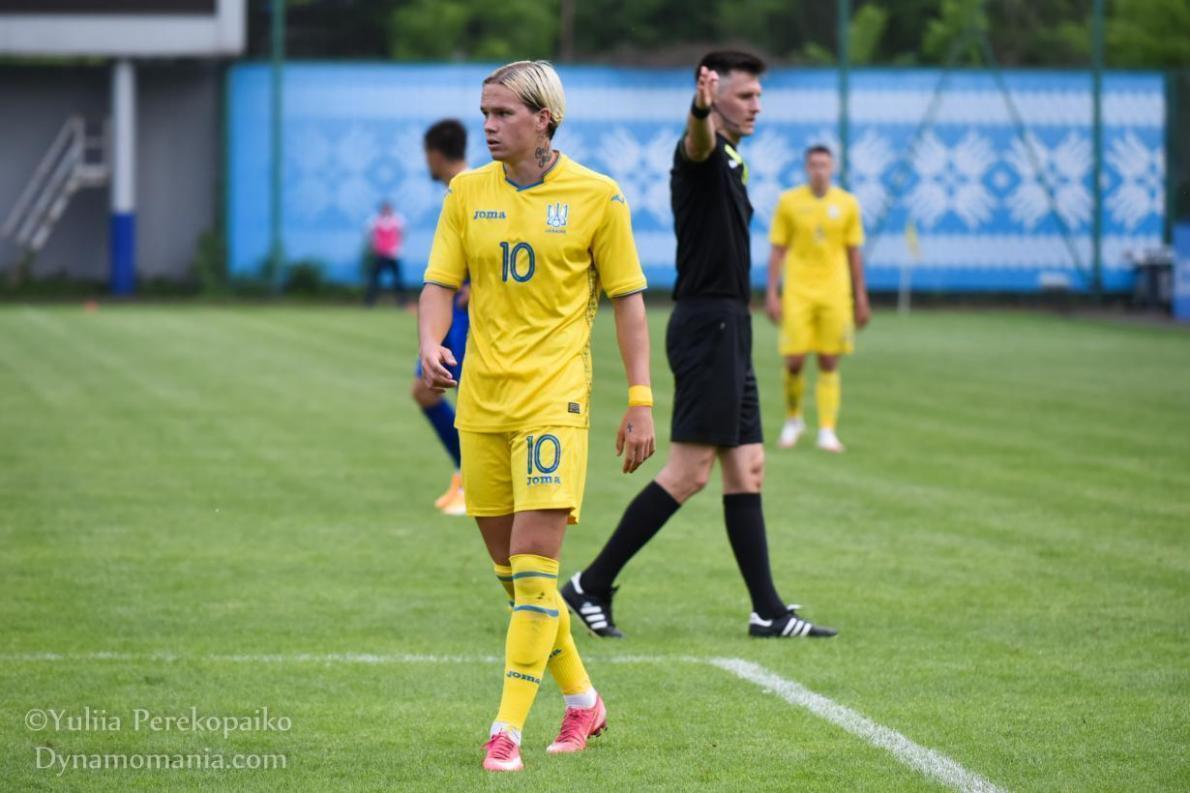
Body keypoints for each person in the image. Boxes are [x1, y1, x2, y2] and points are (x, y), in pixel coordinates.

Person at [418, 60, 655, 773]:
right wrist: (430, 342)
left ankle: (506, 731)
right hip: (482, 404)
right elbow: (439, 283)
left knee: (532, 570)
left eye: (503, 114)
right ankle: (583, 700)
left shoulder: (598, 196)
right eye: (485, 114)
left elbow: (629, 302)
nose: (489, 126)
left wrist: (641, 400)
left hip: (555, 401)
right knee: (514, 576)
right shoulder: (467, 192)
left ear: (544, 118)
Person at [560, 50, 837, 641]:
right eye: (746, 96)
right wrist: (700, 110)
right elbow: (696, 141)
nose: (756, 105)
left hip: (731, 326)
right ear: (713, 96)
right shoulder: (702, 150)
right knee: (688, 472)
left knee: (749, 468)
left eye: (759, 95)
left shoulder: (732, 158)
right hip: (707, 326)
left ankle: (768, 612)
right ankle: (590, 584)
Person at [765, 145, 869, 453]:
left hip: (835, 292)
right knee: (795, 360)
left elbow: (854, 252)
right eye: (813, 165)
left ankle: (827, 429)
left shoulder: (847, 204)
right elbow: (778, 249)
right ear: (806, 168)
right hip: (798, 291)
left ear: (832, 168)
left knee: (828, 359)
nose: (819, 170)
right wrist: (772, 293)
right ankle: (793, 419)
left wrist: (861, 296)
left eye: (824, 165)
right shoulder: (789, 202)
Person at [414, 119, 470, 515]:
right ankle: (466, 470)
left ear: (435, 153)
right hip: (450, 309)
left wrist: (477, 285)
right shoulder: (458, 188)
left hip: (467, 314)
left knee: (469, 399)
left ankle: (474, 480)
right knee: (425, 391)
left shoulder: (471, 187)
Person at [363, 201, 406, 307]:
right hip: (380, 254)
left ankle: (401, 301)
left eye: (388, 208)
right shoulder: (375, 220)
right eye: (385, 208)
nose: (386, 210)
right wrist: (373, 246)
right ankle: (369, 302)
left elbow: (403, 233)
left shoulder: (398, 220)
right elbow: (367, 233)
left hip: (393, 254)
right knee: (374, 279)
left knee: (397, 280)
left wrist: (398, 247)